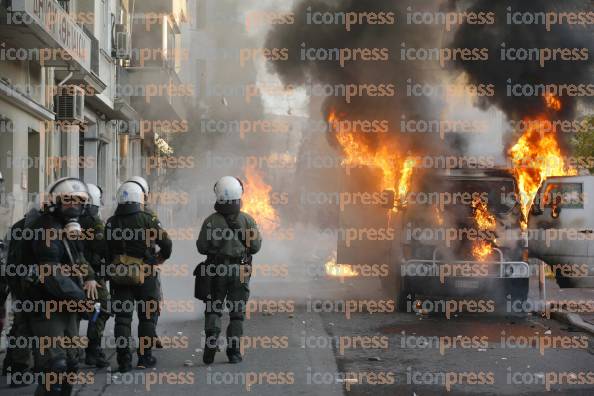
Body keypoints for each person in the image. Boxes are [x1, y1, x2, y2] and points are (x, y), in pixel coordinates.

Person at [27, 177, 91, 396]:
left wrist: (90, 282)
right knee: (55, 366)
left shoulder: (68, 229)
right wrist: (81, 299)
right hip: (46, 306)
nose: (73, 207)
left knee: (71, 363)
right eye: (67, 202)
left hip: (67, 304)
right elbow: (50, 273)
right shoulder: (47, 229)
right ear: (54, 203)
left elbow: (78, 260)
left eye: (78, 202)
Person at [106, 181, 172, 372]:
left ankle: (123, 361)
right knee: (147, 317)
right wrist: (157, 259)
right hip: (146, 273)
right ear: (139, 198)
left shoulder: (111, 222)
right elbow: (167, 244)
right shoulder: (148, 219)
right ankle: (145, 358)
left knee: (122, 318)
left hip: (119, 275)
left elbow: (105, 250)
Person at [197, 176, 262, 364]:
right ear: (239, 195)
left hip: (216, 271)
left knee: (213, 309)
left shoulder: (210, 221)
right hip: (240, 270)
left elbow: (201, 247)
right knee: (237, 313)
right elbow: (256, 247)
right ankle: (234, 353)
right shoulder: (248, 220)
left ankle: (211, 343)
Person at [2, 199, 41, 387]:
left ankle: (14, 366)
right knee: (31, 327)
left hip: (19, 284)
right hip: (34, 286)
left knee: (20, 326)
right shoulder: (43, 229)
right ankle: (26, 367)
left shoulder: (18, 226)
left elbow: (8, 256)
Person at [79, 184, 110, 368]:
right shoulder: (94, 221)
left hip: (68, 275)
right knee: (100, 309)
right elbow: (103, 247)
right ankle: (93, 348)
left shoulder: (66, 219)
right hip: (92, 276)